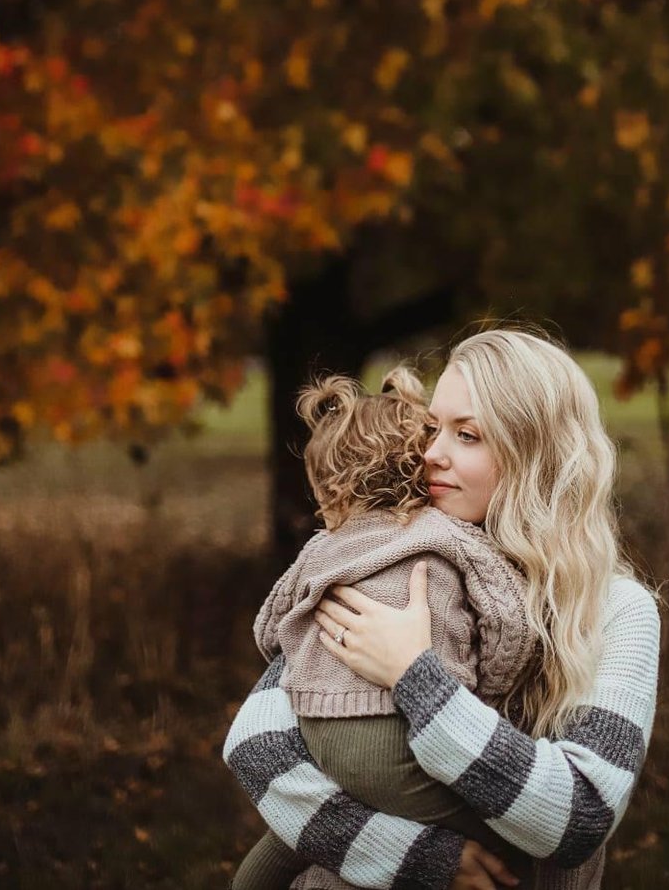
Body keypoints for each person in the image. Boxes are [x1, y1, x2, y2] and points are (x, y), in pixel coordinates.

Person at [224, 328, 661, 890]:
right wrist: (420, 857)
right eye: (432, 428)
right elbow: (257, 745)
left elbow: (580, 818)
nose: (432, 453)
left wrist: (417, 677)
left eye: (468, 435)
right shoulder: (398, 562)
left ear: (536, 455)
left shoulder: (617, 612)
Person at [231, 369, 539, 890]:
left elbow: (271, 627)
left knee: (288, 841)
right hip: (398, 739)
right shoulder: (446, 533)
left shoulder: (322, 548)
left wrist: (307, 660)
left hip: (318, 735)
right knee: (521, 840)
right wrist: (494, 686)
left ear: (334, 489)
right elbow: (510, 621)